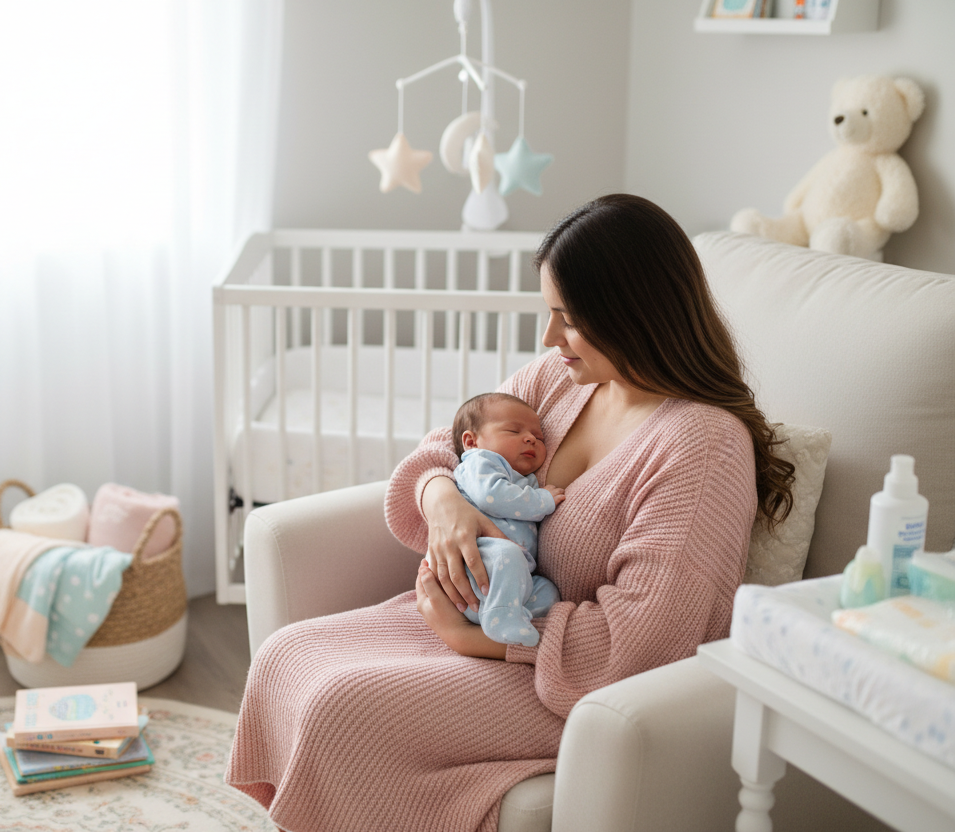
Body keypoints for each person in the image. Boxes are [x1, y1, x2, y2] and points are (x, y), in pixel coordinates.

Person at [226, 194, 795, 832]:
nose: (550, 338)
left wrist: (472, 639)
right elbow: (445, 445)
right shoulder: (562, 378)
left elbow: (642, 643)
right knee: (286, 652)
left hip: (559, 676)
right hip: (490, 617)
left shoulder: (702, 446)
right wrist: (443, 502)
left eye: (568, 319)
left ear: (634, 317)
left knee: (342, 706)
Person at [444, 392, 564, 646]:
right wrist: (542, 500)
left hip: (504, 584)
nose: (531, 438)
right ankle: (503, 618)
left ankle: (508, 617)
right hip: (478, 563)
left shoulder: (522, 479)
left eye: (539, 438)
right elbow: (492, 497)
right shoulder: (480, 461)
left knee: (547, 591)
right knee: (506, 554)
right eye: (513, 431)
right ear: (471, 441)